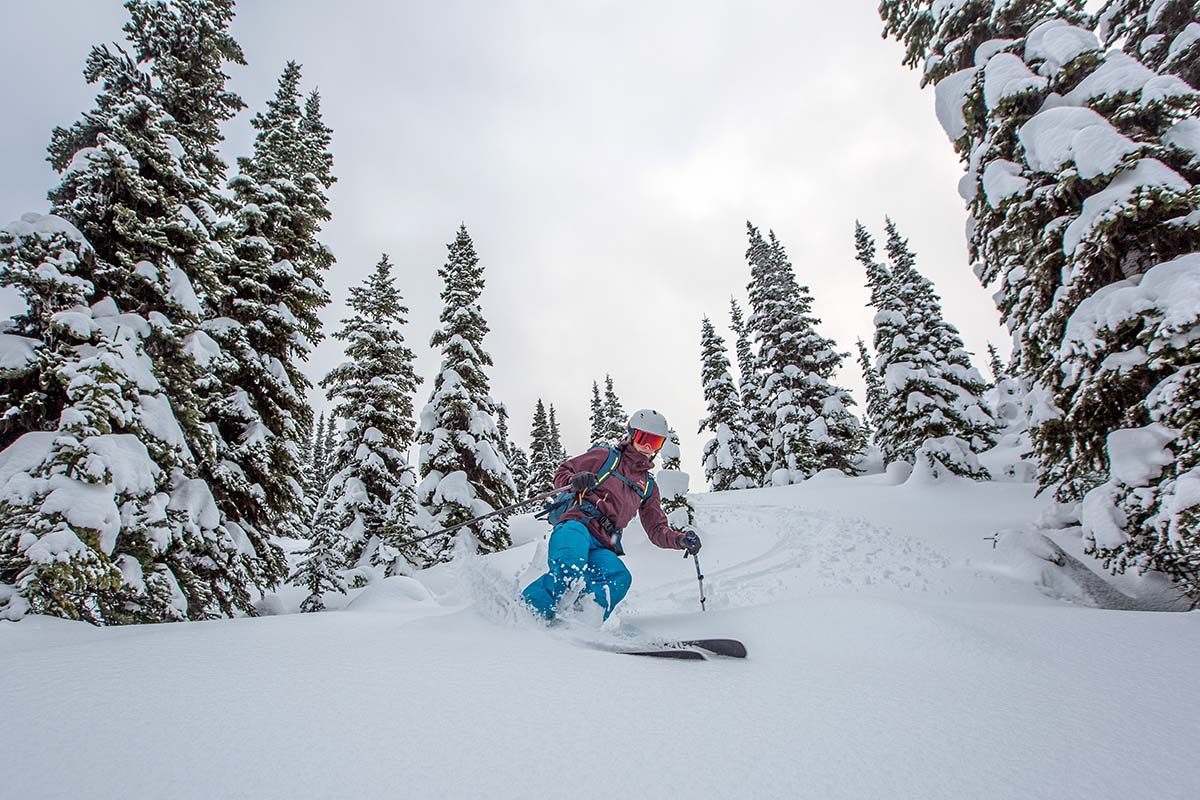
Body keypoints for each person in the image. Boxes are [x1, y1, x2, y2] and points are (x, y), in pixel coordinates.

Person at [521, 408, 702, 621]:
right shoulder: (606, 457)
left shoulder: (648, 487)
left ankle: (581, 623)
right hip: (577, 524)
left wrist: (679, 539)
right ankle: (527, 614)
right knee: (569, 565)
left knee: (618, 577)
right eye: (643, 438)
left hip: (604, 542)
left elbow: (656, 529)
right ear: (631, 434)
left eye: (654, 443)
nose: (646, 447)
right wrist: (574, 480)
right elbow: (564, 471)